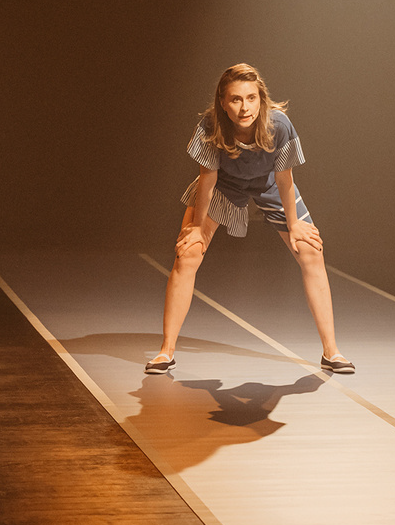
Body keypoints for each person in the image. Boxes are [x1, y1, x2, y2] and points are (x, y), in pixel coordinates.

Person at [146, 63, 353, 375]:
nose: (245, 107)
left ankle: (331, 351)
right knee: (188, 254)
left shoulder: (279, 125)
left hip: (269, 184)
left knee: (311, 251)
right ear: (223, 102)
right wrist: (197, 228)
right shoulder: (211, 126)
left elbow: (284, 178)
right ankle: (166, 352)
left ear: (261, 98)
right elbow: (208, 178)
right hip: (225, 185)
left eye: (251, 98)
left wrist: (294, 225)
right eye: (236, 99)